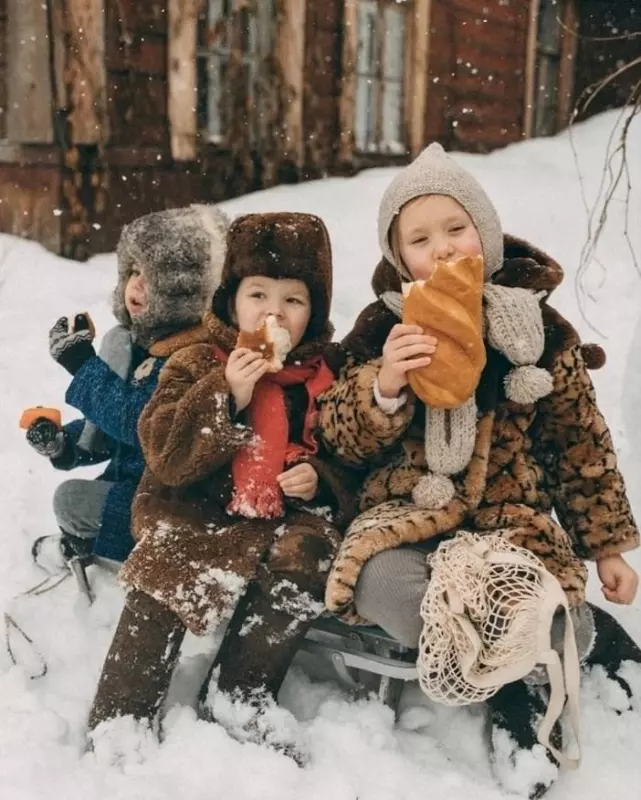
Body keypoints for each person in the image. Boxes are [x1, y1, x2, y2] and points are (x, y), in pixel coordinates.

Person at [316, 143, 641, 798]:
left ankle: (524, 681)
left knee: (550, 615)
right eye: (419, 240)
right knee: (389, 593)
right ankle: (518, 656)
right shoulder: (382, 327)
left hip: (509, 529)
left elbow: (578, 445)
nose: (441, 249)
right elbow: (338, 440)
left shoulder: (539, 330)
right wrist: (383, 386)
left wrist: (606, 546)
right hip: (409, 519)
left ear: (484, 235)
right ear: (398, 255)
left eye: (455, 229)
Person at [87, 212, 356, 760]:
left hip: (285, 517)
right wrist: (225, 393)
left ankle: (240, 693)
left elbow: (352, 455)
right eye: (258, 295)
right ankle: (122, 713)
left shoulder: (328, 377)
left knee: (309, 556)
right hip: (195, 506)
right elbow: (163, 451)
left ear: (316, 312)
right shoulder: (195, 360)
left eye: (294, 300)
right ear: (231, 300)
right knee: (165, 568)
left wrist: (322, 480)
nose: (273, 312)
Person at [25, 204, 229, 570]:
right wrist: (64, 444)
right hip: (132, 488)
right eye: (133, 271)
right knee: (77, 498)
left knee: (71, 501)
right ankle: (95, 543)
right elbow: (109, 433)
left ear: (186, 293)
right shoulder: (143, 346)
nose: (136, 285)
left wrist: (82, 365)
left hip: (171, 502)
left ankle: (108, 554)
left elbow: (139, 424)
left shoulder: (196, 357)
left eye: (153, 278)